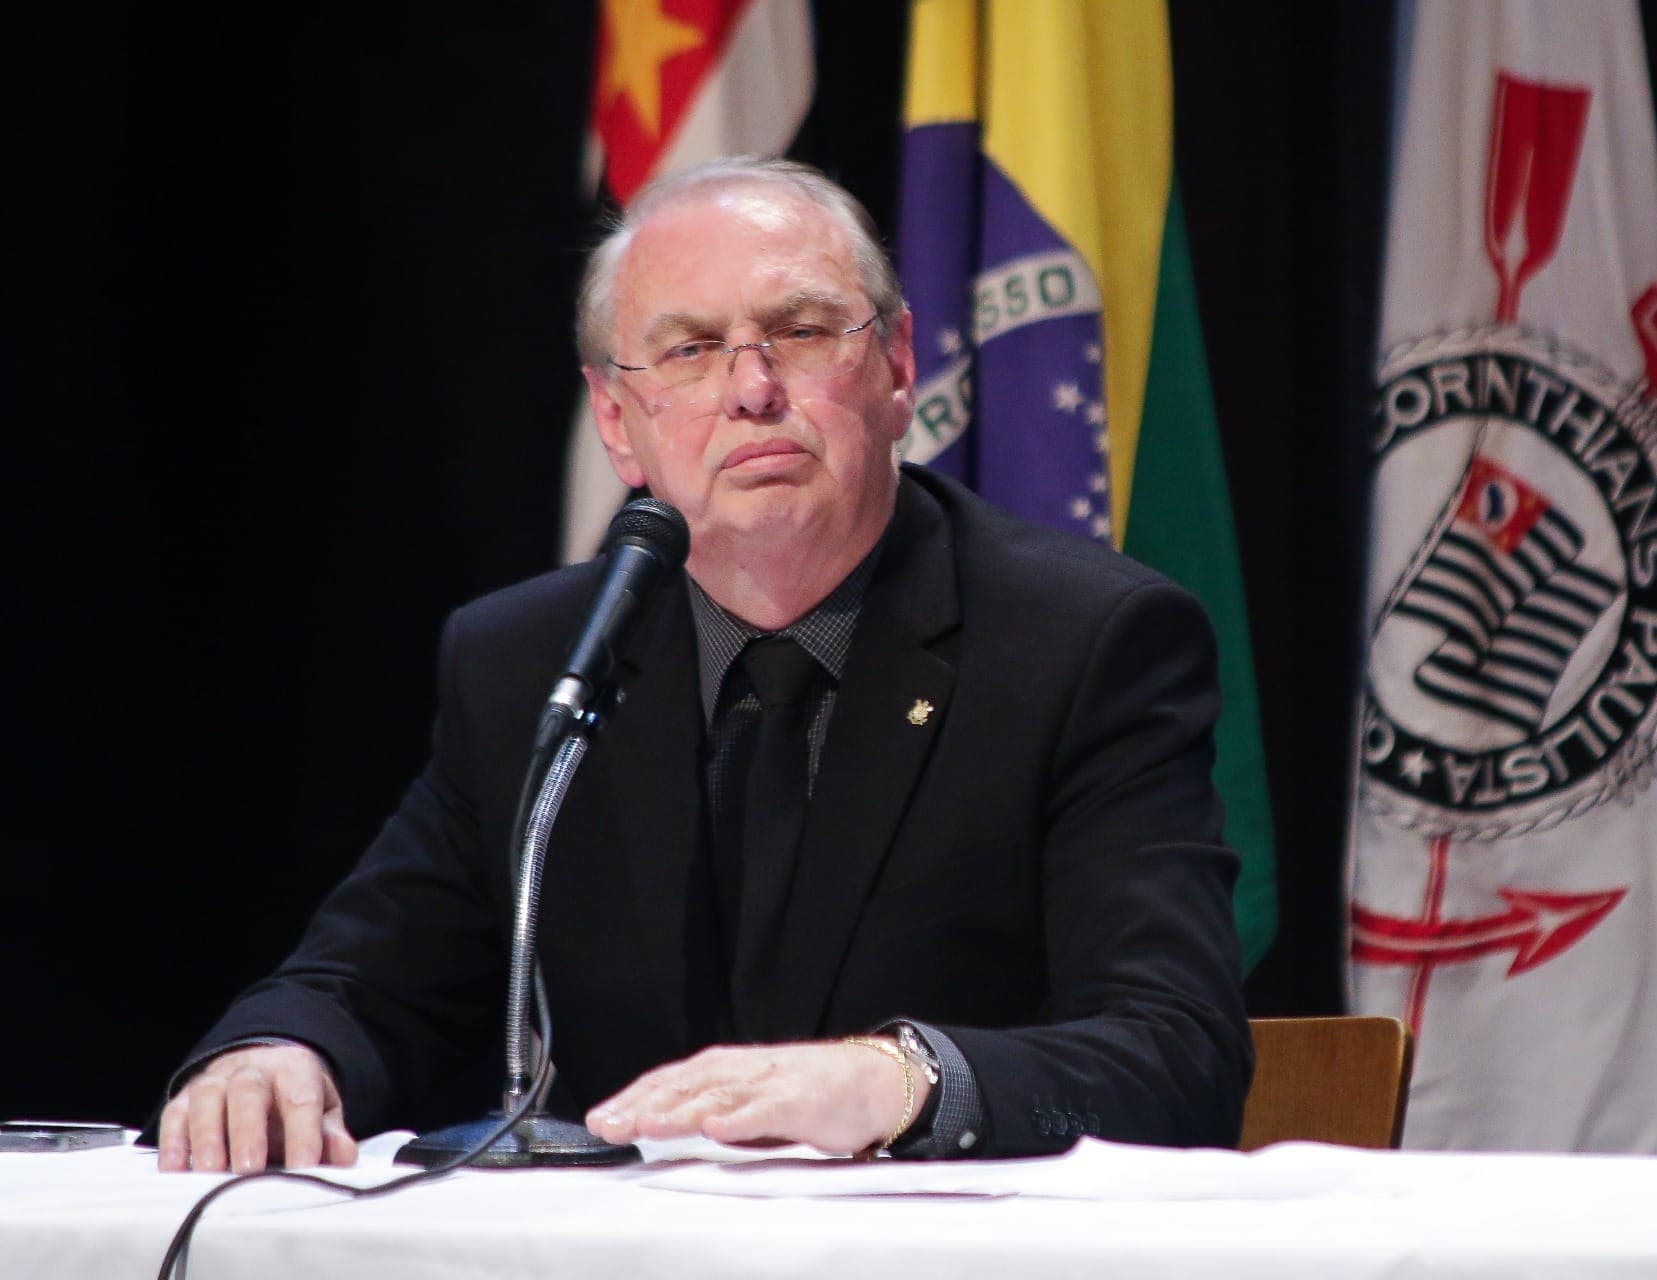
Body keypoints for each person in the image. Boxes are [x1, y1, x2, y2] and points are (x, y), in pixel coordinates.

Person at [154, 158, 1250, 1173]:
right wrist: (277, 1052)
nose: (753, 388)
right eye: (689, 350)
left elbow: (1178, 1052)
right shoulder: (530, 661)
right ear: (618, 422)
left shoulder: (1083, 643)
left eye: (804, 331)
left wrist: (902, 1079)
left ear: (900, 367)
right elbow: (366, 979)